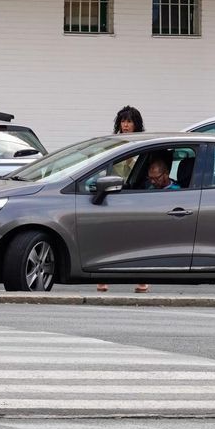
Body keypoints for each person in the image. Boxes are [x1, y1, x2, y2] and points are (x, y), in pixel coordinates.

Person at [99, 106, 150, 294]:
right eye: (123, 121)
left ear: (136, 124)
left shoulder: (144, 143)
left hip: (136, 196)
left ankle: (142, 279)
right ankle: (103, 278)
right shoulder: (113, 144)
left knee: (138, 239)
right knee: (110, 236)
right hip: (114, 194)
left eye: (129, 121)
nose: (126, 125)